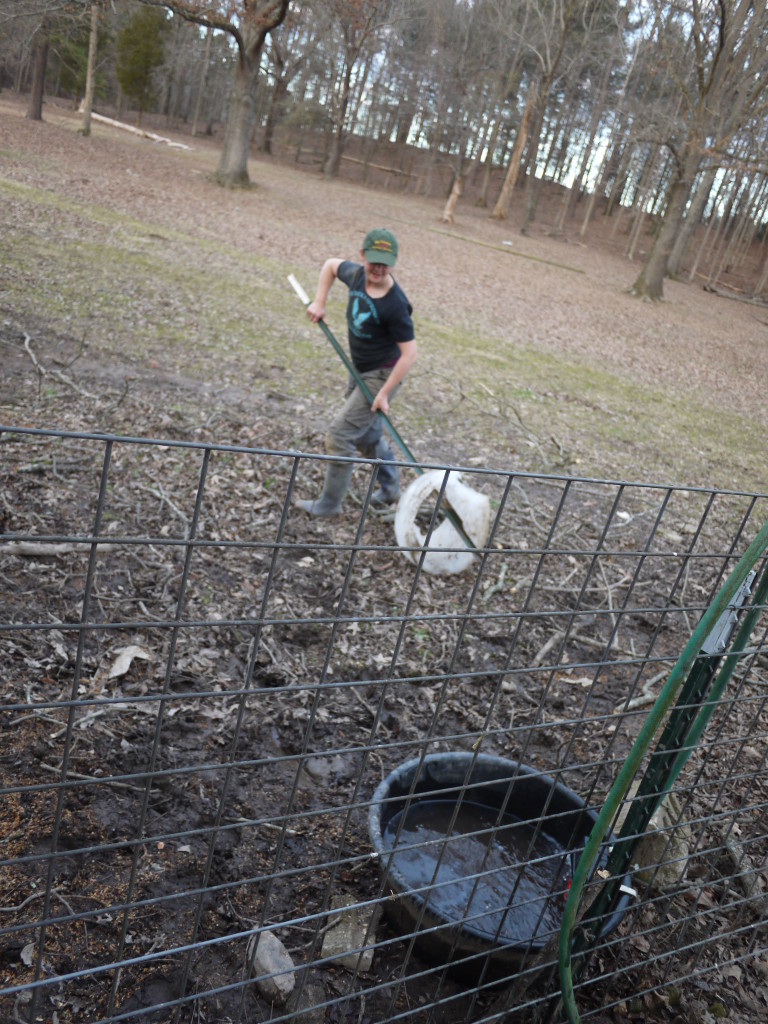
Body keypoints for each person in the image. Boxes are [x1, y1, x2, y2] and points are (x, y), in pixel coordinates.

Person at [297, 228, 417, 517]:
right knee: (366, 436)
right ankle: (390, 488)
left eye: (384, 262)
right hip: (359, 367)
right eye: (373, 260)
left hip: (382, 375)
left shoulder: (395, 305)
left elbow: (410, 354)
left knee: (340, 435)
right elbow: (329, 265)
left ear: (394, 262)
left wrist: (385, 393)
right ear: (362, 256)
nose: (378, 268)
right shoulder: (355, 275)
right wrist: (319, 302)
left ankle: (329, 504)